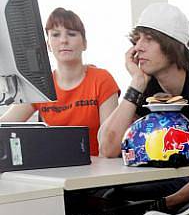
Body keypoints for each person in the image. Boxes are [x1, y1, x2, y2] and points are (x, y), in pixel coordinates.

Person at [98, 2, 189, 211]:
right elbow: (108, 147)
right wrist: (137, 83)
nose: (138, 47)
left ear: (172, 46)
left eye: (149, 39)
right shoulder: (147, 87)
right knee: (105, 196)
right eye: (137, 39)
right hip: (170, 182)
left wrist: (159, 205)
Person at [0, 8, 119, 157]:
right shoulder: (40, 85)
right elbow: (6, 123)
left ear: (84, 43)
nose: (63, 40)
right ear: (48, 45)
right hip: (57, 169)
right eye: (55, 35)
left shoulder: (102, 79)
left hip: (97, 167)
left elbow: (111, 141)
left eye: (72, 34)